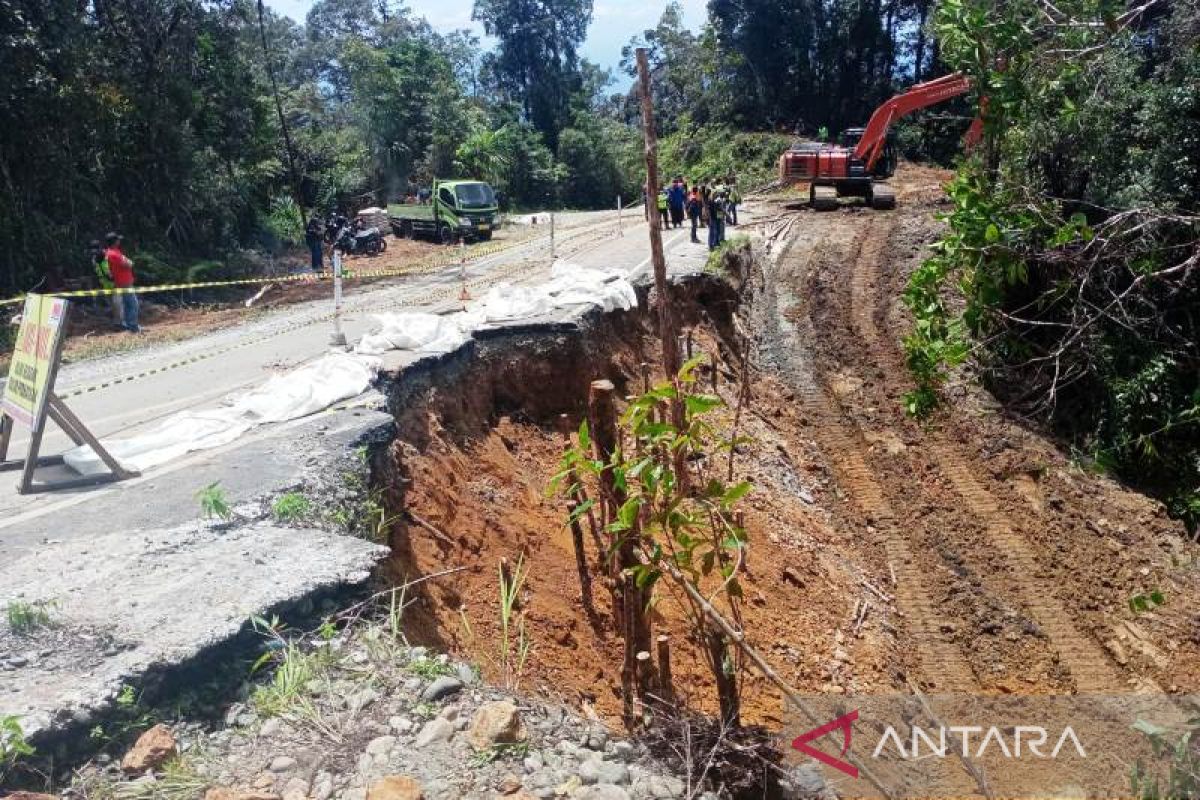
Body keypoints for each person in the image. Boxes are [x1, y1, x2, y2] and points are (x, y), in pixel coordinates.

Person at [104, 232, 139, 333]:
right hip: (124, 282)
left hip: (122, 281)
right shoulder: (114, 254)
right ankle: (132, 326)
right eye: (118, 240)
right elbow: (129, 264)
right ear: (115, 242)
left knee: (127, 304)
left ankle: (129, 325)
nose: (119, 241)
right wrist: (127, 260)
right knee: (133, 304)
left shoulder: (112, 252)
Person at [90, 240, 123, 329]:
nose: (95, 252)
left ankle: (120, 323)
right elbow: (98, 272)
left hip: (114, 283)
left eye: (96, 249)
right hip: (105, 285)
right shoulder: (94, 259)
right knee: (112, 304)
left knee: (117, 303)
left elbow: (114, 268)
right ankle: (117, 322)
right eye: (93, 250)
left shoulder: (108, 256)